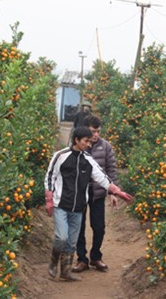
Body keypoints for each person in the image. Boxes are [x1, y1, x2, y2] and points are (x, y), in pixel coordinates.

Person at [44, 126, 134, 281]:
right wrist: (49, 199)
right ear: (77, 140)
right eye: (86, 141)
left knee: (71, 242)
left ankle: (65, 272)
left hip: (78, 207)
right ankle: (53, 262)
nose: (89, 144)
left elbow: (102, 177)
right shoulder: (60, 156)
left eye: (90, 142)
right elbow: (50, 176)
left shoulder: (88, 160)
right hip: (61, 204)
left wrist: (116, 191)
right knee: (61, 237)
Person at [72, 116, 119, 273]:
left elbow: (111, 169)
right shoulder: (77, 146)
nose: (96, 135)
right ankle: (82, 259)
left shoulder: (105, 146)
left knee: (99, 227)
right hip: (80, 192)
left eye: (98, 131)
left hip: (98, 192)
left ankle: (96, 257)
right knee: (79, 226)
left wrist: (113, 192)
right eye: (93, 131)